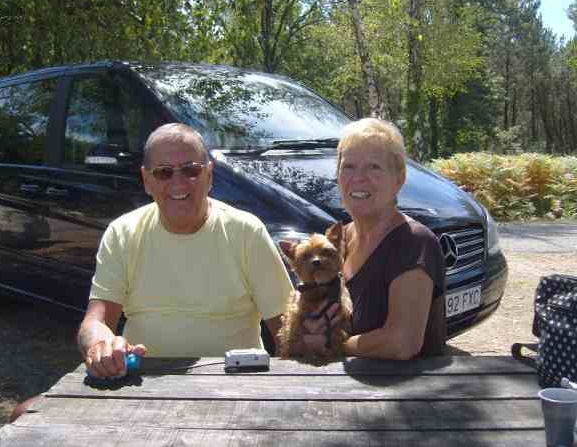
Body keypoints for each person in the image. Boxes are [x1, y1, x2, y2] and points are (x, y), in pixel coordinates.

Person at [76, 122, 294, 378]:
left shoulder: (247, 232)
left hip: (234, 386)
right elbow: (96, 321)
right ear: (146, 180)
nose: (178, 183)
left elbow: (286, 329)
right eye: (164, 172)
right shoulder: (122, 233)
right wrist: (99, 345)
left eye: (191, 170)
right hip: (143, 384)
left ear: (209, 176)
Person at [302, 118, 446, 359]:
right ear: (338, 176)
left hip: (405, 390)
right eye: (348, 167)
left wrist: (335, 346)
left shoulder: (414, 242)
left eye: (374, 167)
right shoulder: (342, 238)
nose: (358, 178)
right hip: (347, 388)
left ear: (398, 178)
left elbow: (402, 342)